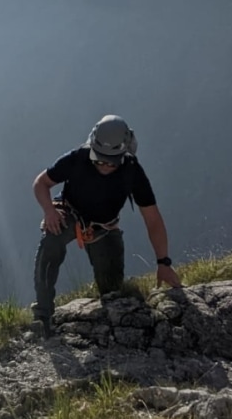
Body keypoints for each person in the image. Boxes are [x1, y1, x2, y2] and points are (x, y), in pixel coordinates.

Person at [30, 114, 182, 338]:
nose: (103, 165)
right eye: (98, 159)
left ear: (124, 153)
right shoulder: (78, 158)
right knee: (51, 240)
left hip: (104, 228)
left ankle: (107, 318)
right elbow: (41, 183)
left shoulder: (132, 172)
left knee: (113, 292)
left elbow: (153, 219)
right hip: (70, 213)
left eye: (110, 162)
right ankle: (43, 316)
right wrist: (50, 211)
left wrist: (163, 263)